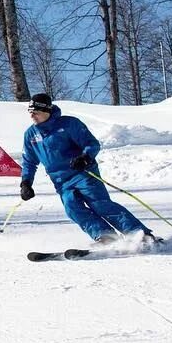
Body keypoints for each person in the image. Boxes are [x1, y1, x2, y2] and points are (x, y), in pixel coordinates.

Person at [20, 93, 153, 244]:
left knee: (100, 204)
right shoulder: (30, 134)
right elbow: (29, 161)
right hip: (61, 181)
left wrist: (85, 157)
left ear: (47, 111)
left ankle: (139, 234)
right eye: (30, 112)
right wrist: (26, 182)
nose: (32, 116)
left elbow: (91, 144)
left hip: (83, 173)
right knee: (72, 208)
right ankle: (106, 236)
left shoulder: (69, 124)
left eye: (35, 112)